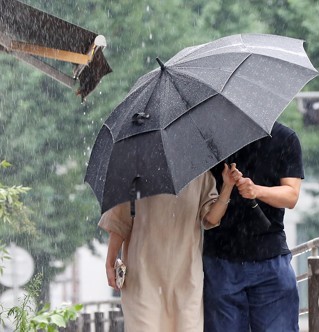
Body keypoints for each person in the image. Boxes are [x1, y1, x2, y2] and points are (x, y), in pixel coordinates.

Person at [99, 164, 241, 332]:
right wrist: (110, 261)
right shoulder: (134, 170)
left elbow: (211, 217)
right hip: (143, 277)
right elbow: (119, 222)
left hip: (185, 278)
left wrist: (227, 186)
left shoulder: (199, 172)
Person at [203, 121, 304, 332]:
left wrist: (256, 190)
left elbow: (291, 195)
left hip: (270, 256)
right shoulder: (212, 140)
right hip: (220, 259)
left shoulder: (284, 137)